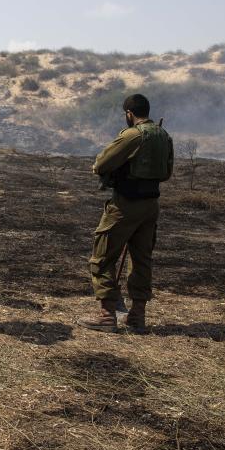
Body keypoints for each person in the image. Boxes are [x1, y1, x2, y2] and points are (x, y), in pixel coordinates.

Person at [79, 93, 173, 333]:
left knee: (102, 256)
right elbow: (167, 172)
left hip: (125, 204)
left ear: (129, 114)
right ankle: (137, 317)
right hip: (151, 204)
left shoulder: (132, 135)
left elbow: (101, 164)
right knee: (142, 260)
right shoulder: (163, 136)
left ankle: (107, 316)